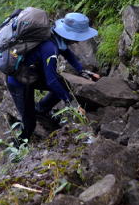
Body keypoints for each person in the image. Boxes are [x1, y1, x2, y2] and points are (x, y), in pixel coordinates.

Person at [7, 12, 99, 143]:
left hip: (32, 74)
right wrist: (70, 103)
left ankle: (41, 109)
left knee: (62, 84)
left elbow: (68, 53)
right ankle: (19, 147)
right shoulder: (50, 48)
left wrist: (82, 71)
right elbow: (51, 80)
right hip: (19, 81)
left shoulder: (55, 38)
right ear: (73, 36)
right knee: (29, 123)